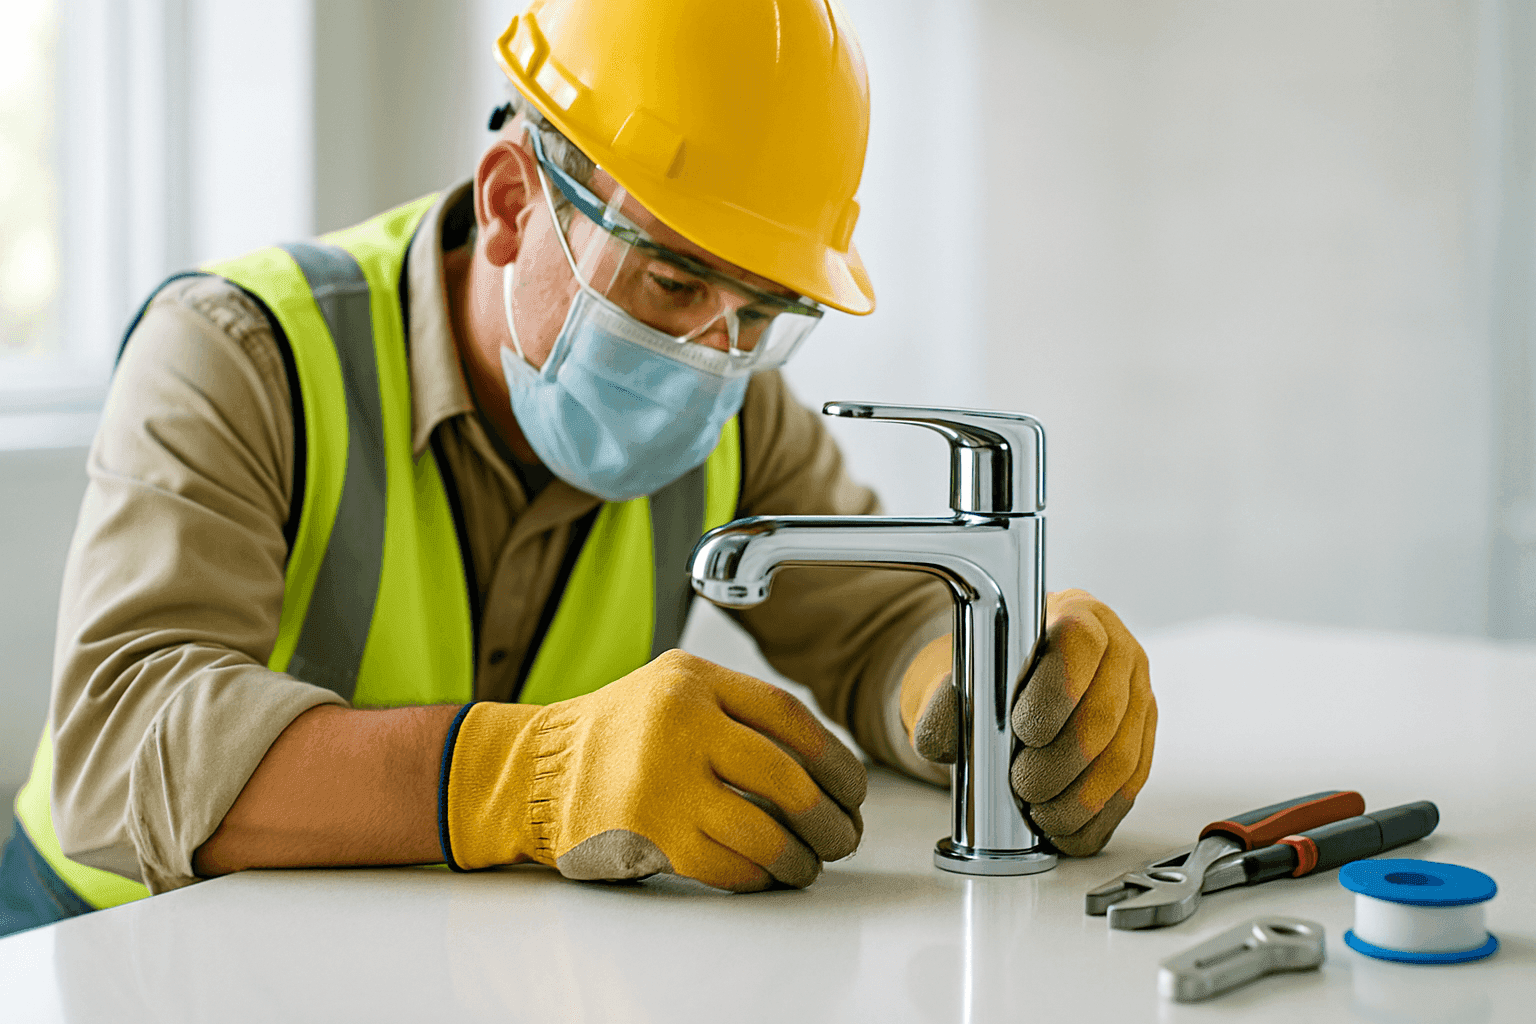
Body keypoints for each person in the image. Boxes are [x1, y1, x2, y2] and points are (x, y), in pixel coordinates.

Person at [0, 0, 1155, 937]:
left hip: (418, 954)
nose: (714, 352)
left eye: (763, 312)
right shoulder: (240, 352)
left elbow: (877, 628)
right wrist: (531, 778)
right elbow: (118, 748)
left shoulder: (734, 399)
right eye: (674, 281)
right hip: (112, 950)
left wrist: (1007, 685)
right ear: (512, 204)